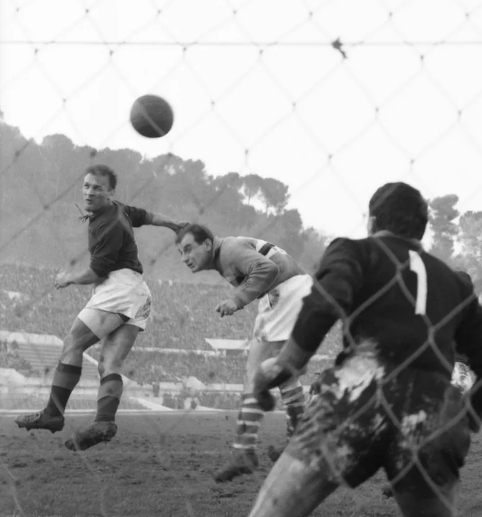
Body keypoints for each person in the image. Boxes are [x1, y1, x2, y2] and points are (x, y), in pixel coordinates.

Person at [245, 181, 482, 517]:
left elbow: (325, 302)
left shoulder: (356, 251)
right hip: (430, 413)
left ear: (372, 222)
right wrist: (465, 420)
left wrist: (286, 363)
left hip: (357, 395)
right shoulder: (454, 282)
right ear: (422, 230)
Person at [15, 164, 186, 450]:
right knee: (109, 363)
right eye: (86, 186)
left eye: (97, 187)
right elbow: (149, 216)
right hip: (139, 294)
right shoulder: (120, 210)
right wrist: (175, 224)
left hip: (118, 288)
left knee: (72, 344)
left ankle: (53, 414)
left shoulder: (109, 224)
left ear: (110, 193)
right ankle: (104, 421)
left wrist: (67, 278)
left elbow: (97, 273)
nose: (90, 191)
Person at [175, 223, 312, 482]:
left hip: (285, 290)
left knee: (254, 371)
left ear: (207, 244)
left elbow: (267, 268)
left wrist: (236, 300)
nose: (185, 258)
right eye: (181, 253)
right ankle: (297, 441)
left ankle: (244, 451)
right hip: (296, 289)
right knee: (283, 373)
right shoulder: (227, 251)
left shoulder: (228, 251)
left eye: (189, 250)